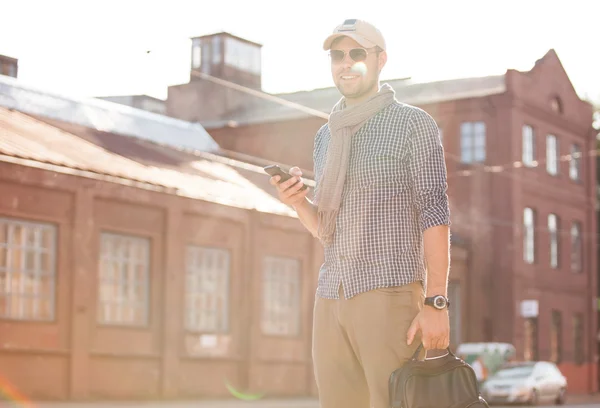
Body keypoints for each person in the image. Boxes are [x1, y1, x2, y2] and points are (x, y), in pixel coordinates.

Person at [269, 18, 451, 408]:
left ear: (380, 60)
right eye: (338, 55)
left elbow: (435, 212)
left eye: (357, 53)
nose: (346, 63)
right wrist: (299, 202)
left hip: (387, 293)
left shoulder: (413, 124)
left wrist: (437, 302)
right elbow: (326, 230)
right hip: (330, 295)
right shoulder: (326, 136)